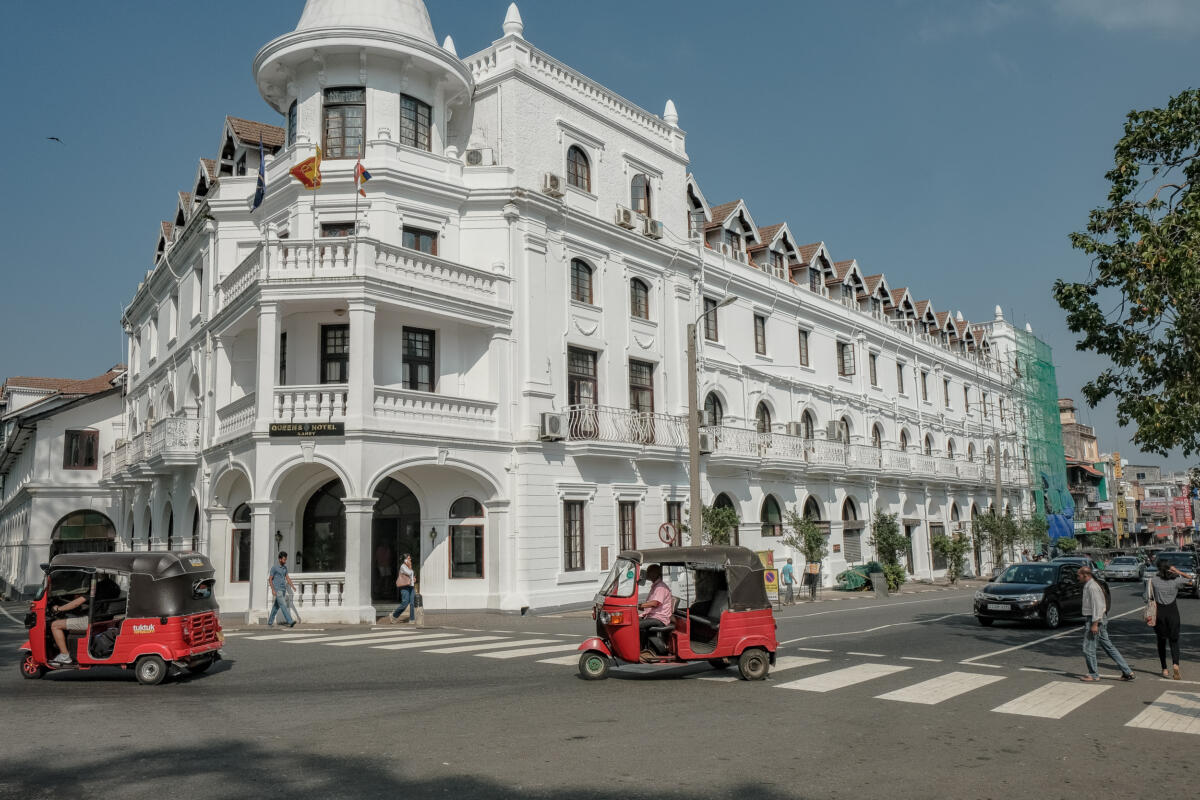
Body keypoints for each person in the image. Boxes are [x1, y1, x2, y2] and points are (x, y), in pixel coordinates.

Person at [1078, 565, 1133, 682]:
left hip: (1095, 619)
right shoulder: (1091, 585)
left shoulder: (1092, 587)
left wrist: (1094, 624)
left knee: (1088, 648)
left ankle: (1093, 674)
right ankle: (1127, 671)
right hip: (1099, 619)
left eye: (1079, 575)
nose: (1078, 578)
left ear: (1085, 575)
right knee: (1108, 647)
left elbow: (1098, 606)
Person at [1148, 558, 1195, 680]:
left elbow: (1146, 596)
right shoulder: (1175, 581)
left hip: (1159, 613)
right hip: (1172, 612)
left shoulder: (1153, 580)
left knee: (1161, 641)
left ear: (1158, 568)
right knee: (1174, 640)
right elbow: (1190, 579)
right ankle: (1175, 665)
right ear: (1170, 568)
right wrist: (1177, 571)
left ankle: (1164, 668)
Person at [48, 588, 89, 665]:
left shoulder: (97, 587)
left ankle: (64, 655)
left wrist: (59, 608)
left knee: (55, 625)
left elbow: (75, 604)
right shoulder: (112, 586)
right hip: (101, 619)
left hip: (90, 621)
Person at [637, 564, 674, 649]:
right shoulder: (655, 586)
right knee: (633, 620)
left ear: (655, 573)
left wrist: (638, 605)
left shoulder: (660, 587)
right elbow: (649, 605)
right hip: (653, 616)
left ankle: (640, 648)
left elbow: (655, 603)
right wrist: (638, 607)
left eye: (649, 572)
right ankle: (644, 647)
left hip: (659, 619)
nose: (647, 574)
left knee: (636, 625)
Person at [267, 551, 297, 628]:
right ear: (280, 559)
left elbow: (287, 578)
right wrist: (273, 590)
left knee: (276, 607)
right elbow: (270, 579)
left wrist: (292, 586)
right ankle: (290, 621)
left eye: (286, 559)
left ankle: (270, 622)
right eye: (284, 559)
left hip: (283, 590)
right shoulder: (274, 568)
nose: (285, 561)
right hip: (277, 590)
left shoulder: (285, 568)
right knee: (283, 605)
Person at [389, 553, 416, 624]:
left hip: (411, 586)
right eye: (409, 558)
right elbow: (409, 573)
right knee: (405, 603)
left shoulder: (409, 566)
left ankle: (412, 619)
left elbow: (411, 574)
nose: (410, 559)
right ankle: (394, 615)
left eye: (410, 558)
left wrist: (413, 579)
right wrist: (410, 566)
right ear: (405, 560)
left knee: (412, 603)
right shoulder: (403, 566)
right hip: (405, 587)